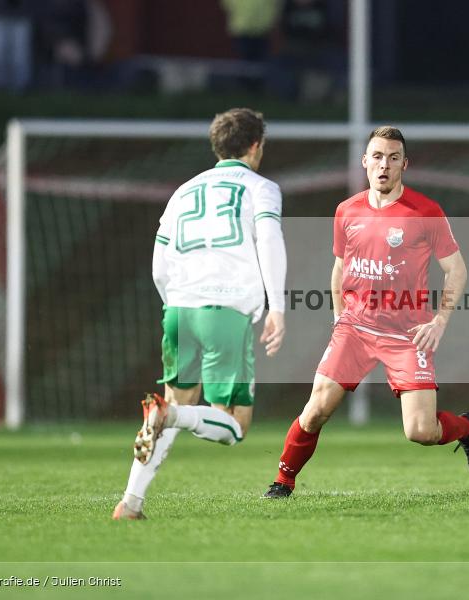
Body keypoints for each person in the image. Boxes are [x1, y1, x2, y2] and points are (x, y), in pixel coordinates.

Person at [261, 126, 469, 499]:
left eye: (393, 157)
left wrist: (439, 321)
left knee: (420, 431)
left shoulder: (425, 211)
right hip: (355, 327)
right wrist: (339, 319)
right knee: (317, 407)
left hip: (407, 333)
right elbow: (339, 268)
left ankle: (465, 428)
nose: (384, 165)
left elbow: (457, 270)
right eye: (378, 156)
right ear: (365, 161)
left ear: (404, 164)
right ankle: (283, 481)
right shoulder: (347, 210)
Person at [113, 108, 287, 519]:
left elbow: (159, 262)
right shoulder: (261, 188)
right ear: (256, 146)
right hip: (224, 310)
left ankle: (130, 502)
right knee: (235, 425)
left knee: (176, 402)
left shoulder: (183, 191)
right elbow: (269, 241)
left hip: (179, 309)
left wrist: (174, 303)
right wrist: (277, 306)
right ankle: (168, 415)